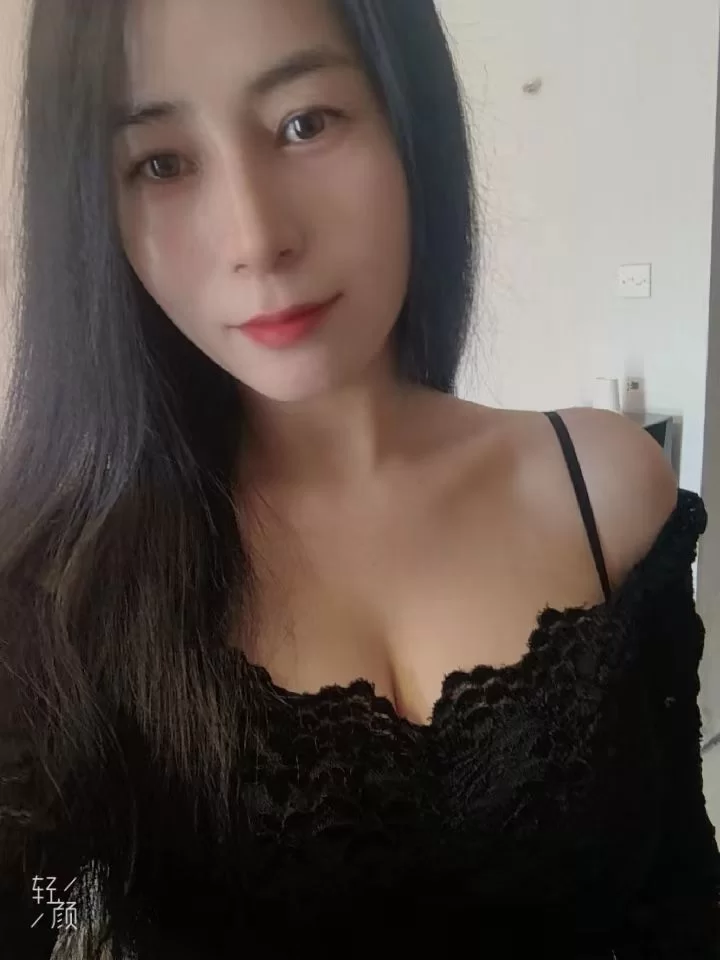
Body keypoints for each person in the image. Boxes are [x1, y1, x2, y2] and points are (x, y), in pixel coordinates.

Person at [0, 0, 718, 957]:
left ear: (407, 119)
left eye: (306, 122)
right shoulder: (58, 576)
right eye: (160, 164)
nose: (254, 237)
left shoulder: (607, 488)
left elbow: (679, 891)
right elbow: (46, 901)